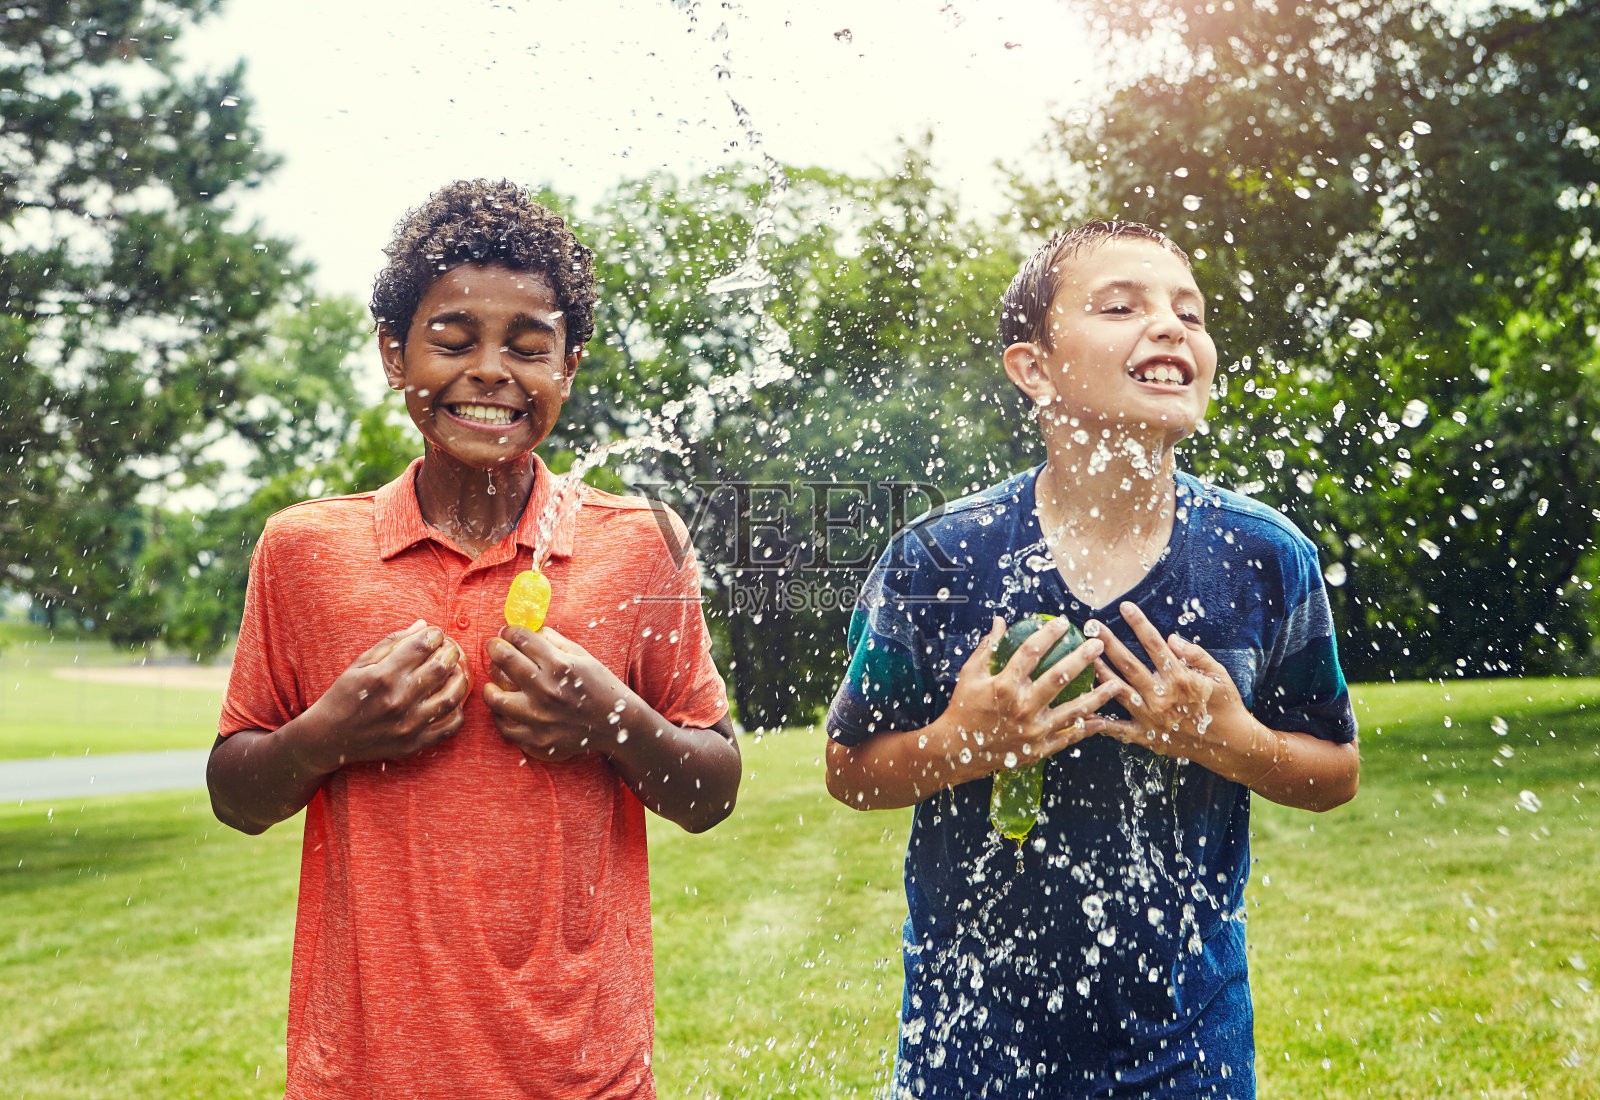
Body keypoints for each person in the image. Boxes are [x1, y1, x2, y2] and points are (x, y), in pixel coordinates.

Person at [207, 179, 740, 1099]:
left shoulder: (638, 543)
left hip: (583, 1073)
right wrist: (329, 734)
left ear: (568, 368)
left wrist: (611, 717)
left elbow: (712, 792)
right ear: (392, 352)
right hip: (364, 1075)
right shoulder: (305, 550)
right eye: (452, 340)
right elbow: (236, 794)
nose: (491, 371)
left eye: (530, 349)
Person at [824, 221, 1359, 1098]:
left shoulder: (1264, 557)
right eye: (1122, 306)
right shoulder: (941, 557)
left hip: (1189, 1052)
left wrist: (1225, 738)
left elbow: (1335, 770)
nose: (1170, 327)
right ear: (1032, 368)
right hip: (970, 1052)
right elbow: (851, 769)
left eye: (1190, 311)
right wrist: (965, 741)